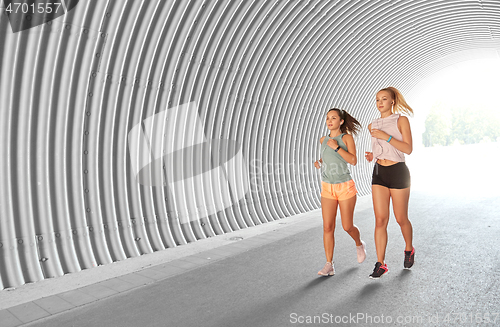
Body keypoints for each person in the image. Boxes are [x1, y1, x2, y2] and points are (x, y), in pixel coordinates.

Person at [365, 86, 415, 279]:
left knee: (401, 218)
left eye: (384, 99)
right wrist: (372, 155)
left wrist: (386, 136)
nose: (380, 102)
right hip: (379, 171)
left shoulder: (401, 120)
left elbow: (407, 149)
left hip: (398, 171)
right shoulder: (373, 124)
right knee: (380, 219)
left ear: (392, 101)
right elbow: (380, 150)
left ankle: (409, 249)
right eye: (377, 99)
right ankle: (381, 264)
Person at [314, 108, 366, 276]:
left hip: (345, 186)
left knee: (347, 226)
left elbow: (353, 160)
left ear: (341, 121)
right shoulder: (323, 139)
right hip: (327, 187)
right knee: (327, 227)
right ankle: (329, 264)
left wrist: (336, 147)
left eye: (333, 118)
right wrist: (319, 162)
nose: (329, 121)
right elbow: (327, 157)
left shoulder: (346, 138)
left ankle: (359, 244)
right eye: (328, 118)